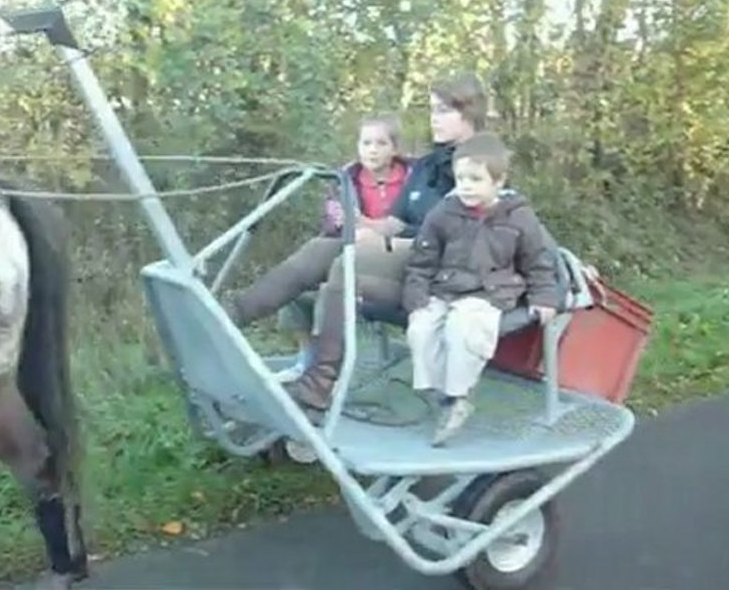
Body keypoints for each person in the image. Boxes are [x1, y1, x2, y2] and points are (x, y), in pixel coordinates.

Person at [280, 72, 487, 413]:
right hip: (404, 261)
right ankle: (304, 366)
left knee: (346, 269)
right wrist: (362, 228)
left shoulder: (477, 166)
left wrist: (556, 262)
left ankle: (320, 382)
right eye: (431, 110)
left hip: (443, 276)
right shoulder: (424, 167)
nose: (433, 117)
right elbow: (393, 221)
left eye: (442, 110)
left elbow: (510, 214)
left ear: (468, 112)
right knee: (316, 264)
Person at [403, 132, 559, 446]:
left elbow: (537, 259)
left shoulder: (518, 216)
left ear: (498, 182)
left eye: (475, 179)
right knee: (421, 328)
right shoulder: (444, 213)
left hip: (490, 291)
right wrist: (416, 293)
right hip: (446, 287)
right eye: (461, 178)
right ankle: (441, 394)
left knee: (464, 329)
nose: (466, 186)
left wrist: (544, 296)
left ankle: (459, 395)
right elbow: (422, 258)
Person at [225, 115, 411, 354]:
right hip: (350, 245)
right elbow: (334, 220)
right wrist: (346, 224)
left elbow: (409, 222)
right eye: (366, 143)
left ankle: (322, 368)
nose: (372, 150)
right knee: (303, 274)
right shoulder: (344, 180)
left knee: (328, 270)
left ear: (394, 148)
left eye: (380, 144)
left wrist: (367, 225)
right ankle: (237, 315)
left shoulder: (412, 180)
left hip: (390, 256)